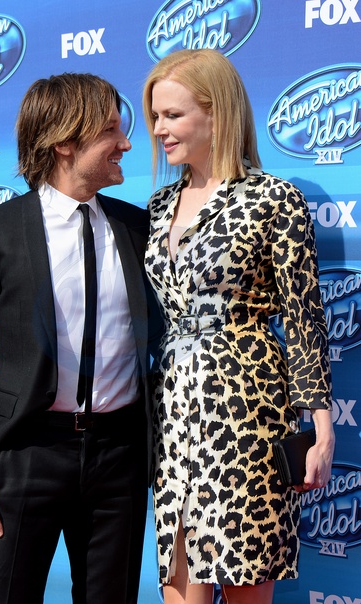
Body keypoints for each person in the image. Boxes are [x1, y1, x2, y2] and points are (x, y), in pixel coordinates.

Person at [0, 73, 160, 604]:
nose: (126, 143)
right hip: (26, 452)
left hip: (119, 458)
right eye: (110, 130)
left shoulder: (138, 228)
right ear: (64, 143)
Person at [142, 49, 335, 604]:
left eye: (172, 115)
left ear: (217, 113)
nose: (158, 130)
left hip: (247, 406)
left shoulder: (274, 200)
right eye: (155, 116)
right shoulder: (158, 206)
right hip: (172, 408)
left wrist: (322, 428)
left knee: (246, 578)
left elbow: (303, 317)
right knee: (179, 580)